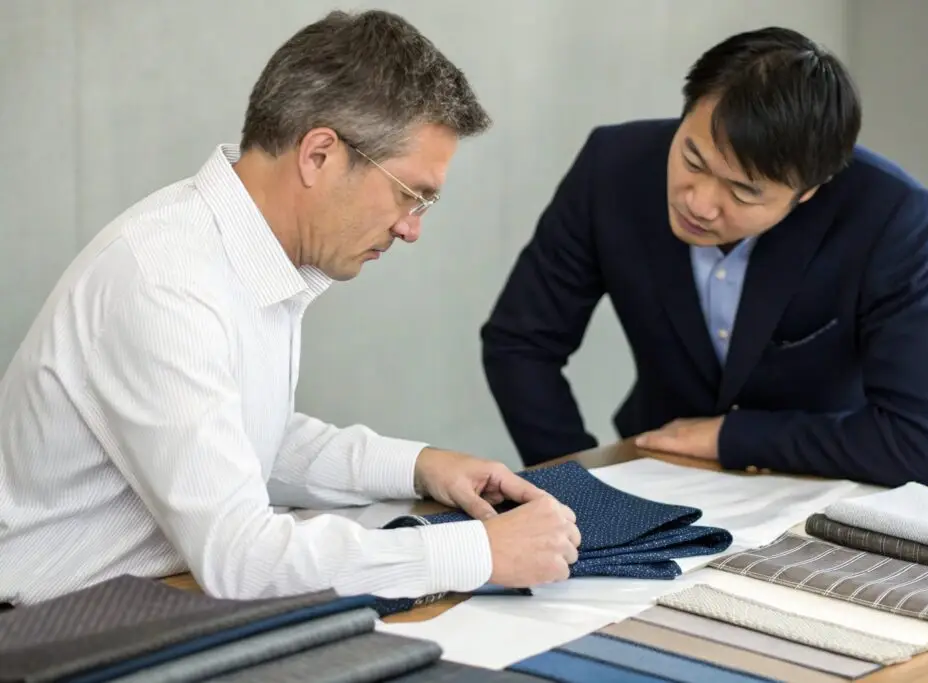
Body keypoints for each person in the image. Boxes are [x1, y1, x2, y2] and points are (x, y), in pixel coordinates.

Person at [0, 10, 580, 607]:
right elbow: (242, 560)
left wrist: (420, 466)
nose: (411, 228)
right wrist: (479, 553)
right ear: (319, 154)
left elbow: (248, 440)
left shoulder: (240, 250)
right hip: (42, 631)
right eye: (411, 194)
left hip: (139, 604)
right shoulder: (165, 284)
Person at [480, 26, 928, 488]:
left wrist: (729, 438)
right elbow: (521, 343)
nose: (699, 202)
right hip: (659, 468)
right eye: (693, 160)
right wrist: (579, 486)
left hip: (827, 483)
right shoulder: (613, 168)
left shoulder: (885, 215)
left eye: (743, 191)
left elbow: (921, 441)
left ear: (808, 192)